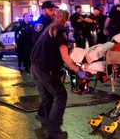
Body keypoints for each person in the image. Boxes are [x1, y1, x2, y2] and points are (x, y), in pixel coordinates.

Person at [30, 9, 87, 139]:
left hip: (35, 66)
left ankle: (45, 117)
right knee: (60, 96)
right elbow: (65, 56)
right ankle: (54, 130)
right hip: (46, 69)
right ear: (66, 20)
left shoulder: (49, 28)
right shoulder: (61, 31)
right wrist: (78, 70)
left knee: (48, 96)